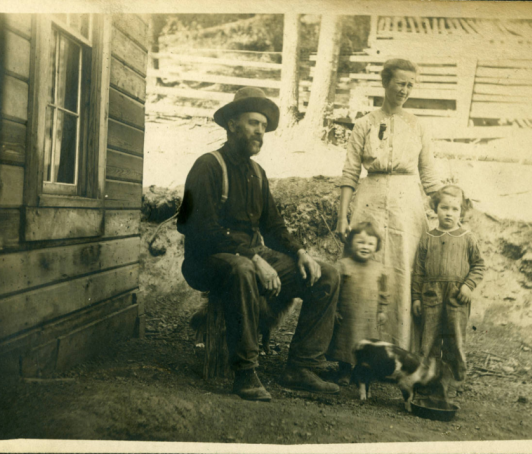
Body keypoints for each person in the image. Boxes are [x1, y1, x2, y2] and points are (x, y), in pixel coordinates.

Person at [177, 87, 341, 402]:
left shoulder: (257, 173)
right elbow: (197, 227)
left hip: (251, 256)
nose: (260, 132)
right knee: (240, 270)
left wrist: (300, 253)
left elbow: (273, 225)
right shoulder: (208, 166)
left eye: (264, 126)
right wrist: (252, 256)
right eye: (253, 123)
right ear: (232, 124)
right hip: (205, 261)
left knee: (327, 275)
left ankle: (303, 365)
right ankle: (245, 370)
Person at [336, 58, 444, 351]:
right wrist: (342, 217)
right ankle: (353, 352)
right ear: (386, 83)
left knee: (403, 271)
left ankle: (400, 351)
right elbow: (349, 173)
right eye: (400, 83)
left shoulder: (418, 126)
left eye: (410, 85)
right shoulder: (364, 124)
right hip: (368, 203)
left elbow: (430, 175)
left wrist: (445, 205)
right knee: (364, 271)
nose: (405, 90)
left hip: (406, 206)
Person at [412, 185, 485, 384]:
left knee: (455, 340)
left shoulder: (468, 238)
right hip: (431, 296)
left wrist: (468, 286)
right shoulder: (428, 238)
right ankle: (428, 381)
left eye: (455, 209)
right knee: (428, 341)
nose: (449, 213)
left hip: (456, 297)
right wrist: (416, 298)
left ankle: (455, 382)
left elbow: (479, 265)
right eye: (444, 208)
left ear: (462, 211)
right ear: (435, 208)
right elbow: (418, 271)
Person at [327, 221, 389, 386]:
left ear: (376, 247)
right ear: (351, 242)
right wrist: (335, 310)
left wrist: (382, 310)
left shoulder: (379, 268)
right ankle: (344, 370)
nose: (365, 247)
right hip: (348, 314)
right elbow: (334, 290)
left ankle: (360, 373)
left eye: (370, 243)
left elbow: (383, 292)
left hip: (369, 316)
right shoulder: (343, 265)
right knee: (345, 342)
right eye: (360, 242)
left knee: (366, 345)